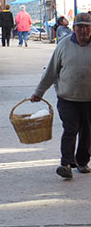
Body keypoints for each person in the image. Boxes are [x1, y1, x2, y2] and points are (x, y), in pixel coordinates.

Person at [30, 13, 91, 179]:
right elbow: (51, 72)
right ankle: (66, 164)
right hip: (67, 98)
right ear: (74, 29)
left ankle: (82, 162)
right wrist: (38, 92)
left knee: (87, 132)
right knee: (70, 128)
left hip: (89, 99)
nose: (84, 30)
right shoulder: (64, 45)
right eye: (80, 26)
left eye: (87, 26)